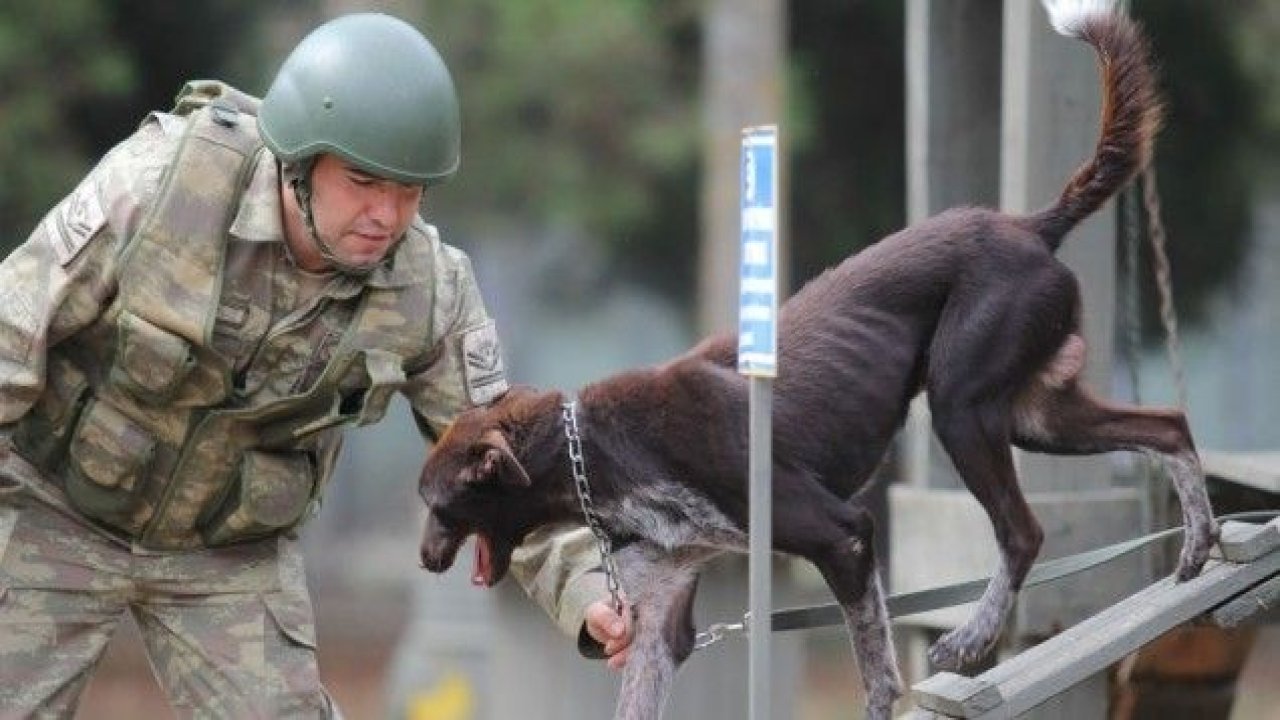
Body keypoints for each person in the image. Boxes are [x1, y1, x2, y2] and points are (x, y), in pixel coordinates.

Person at [0, 13, 630, 717]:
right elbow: (10, 334)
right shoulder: (157, 188)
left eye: (409, 191)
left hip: (226, 554)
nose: (386, 215)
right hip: (56, 510)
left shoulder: (427, 291)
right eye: (362, 181)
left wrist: (589, 591)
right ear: (298, 163)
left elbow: (504, 465)